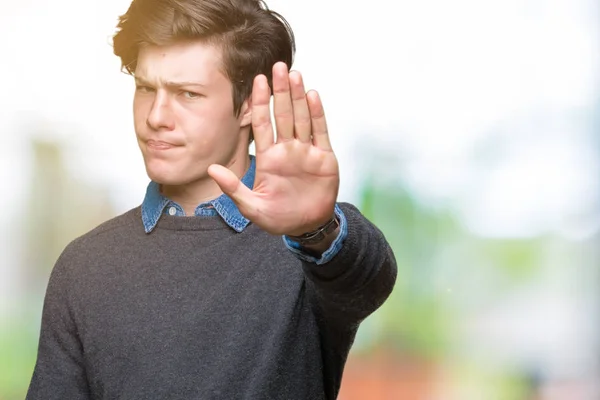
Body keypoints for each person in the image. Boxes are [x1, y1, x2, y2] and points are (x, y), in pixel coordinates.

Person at [26, 0, 397, 398]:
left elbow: (370, 276)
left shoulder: (308, 247)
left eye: (187, 93)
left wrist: (316, 230)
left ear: (247, 108)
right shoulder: (85, 266)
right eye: (146, 88)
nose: (156, 116)